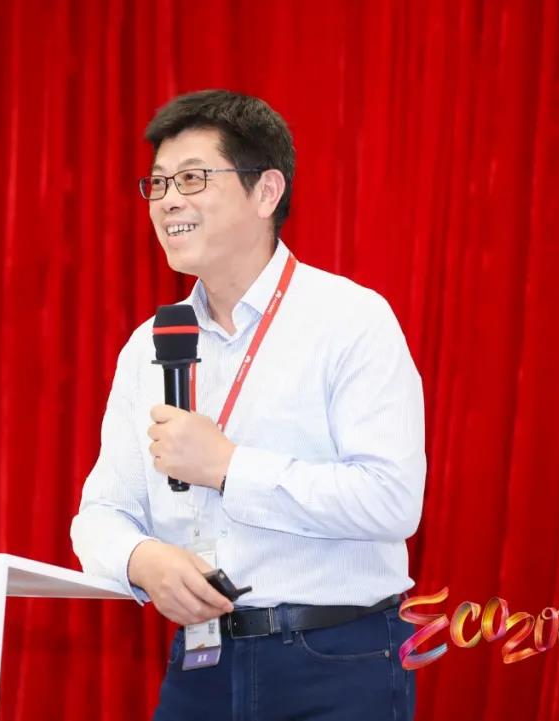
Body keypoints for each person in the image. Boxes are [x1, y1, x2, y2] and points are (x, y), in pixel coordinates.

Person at [70, 89, 425, 721]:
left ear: (266, 192)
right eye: (157, 183)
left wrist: (231, 468)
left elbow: (392, 500)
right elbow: (101, 512)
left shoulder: (350, 320)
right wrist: (140, 559)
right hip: (201, 662)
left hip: (337, 659)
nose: (168, 200)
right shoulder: (149, 345)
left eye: (192, 178)